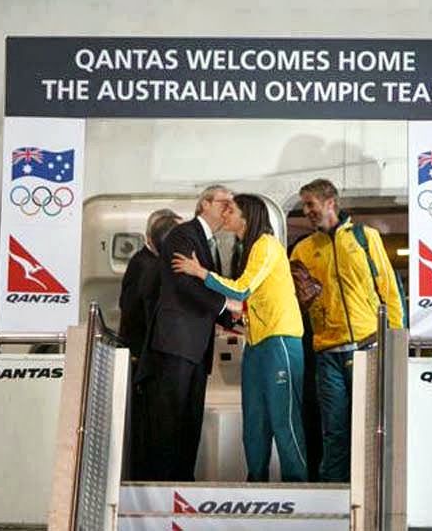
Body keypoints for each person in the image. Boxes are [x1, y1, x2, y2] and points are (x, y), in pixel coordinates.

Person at [172, 194, 308, 482]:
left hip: (280, 339)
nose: (225, 214)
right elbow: (253, 297)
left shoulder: (266, 245)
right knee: (255, 422)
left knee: (284, 420)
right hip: (257, 342)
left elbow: (242, 289)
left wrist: (200, 273)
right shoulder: (247, 249)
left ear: (247, 216)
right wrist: (237, 319)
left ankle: (298, 486)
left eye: (230, 210)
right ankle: (255, 482)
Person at [289, 178, 404, 483]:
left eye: (311, 203)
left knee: (371, 427)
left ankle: (372, 488)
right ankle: (335, 492)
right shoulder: (302, 250)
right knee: (334, 430)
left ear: (330, 202)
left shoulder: (366, 238)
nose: (307, 210)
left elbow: (390, 292)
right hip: (327, 353)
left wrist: (396, 342)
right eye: (304, 205)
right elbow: (298, 301)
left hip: (368, 347)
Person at [140, 185, 236, 481]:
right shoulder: (183, 235)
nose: (229, 208)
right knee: (170, 423)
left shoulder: (212, 243)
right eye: (224, 202)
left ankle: (182, 485)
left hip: (196, 347)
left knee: (189, 421)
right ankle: (163, 489)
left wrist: (233, 320)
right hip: (176, 344)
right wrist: (226, 306)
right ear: (204, 204)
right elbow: (186, 284)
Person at [118, 209, 181, 480]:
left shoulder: (142, 262)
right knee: (152, 429)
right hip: (145, 358)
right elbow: (140, 313)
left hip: (142, 356)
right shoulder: (149, 267)